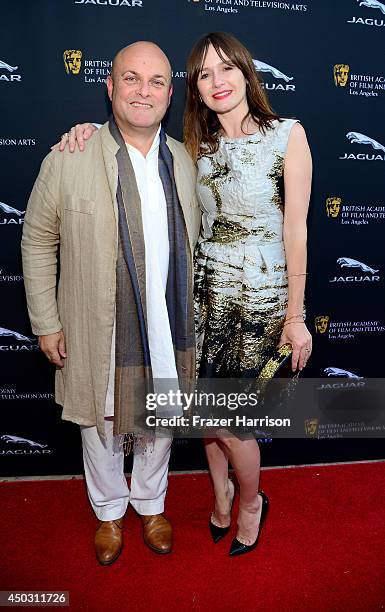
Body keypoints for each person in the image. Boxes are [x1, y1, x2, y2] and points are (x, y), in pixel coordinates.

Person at [58, 31, 313, 558]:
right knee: (199, 413)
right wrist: (82, 132)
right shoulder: (195, 148)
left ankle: (249, 503)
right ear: (194, 88)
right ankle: (218, 496)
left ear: (247, 72)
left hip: (259, 299)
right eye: (204, 73)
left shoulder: (288, 135)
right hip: (200, 299)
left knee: (230, 422)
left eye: (227, 69)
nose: (218, 82)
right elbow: (119, 145)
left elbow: (297, 230)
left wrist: (296, 314)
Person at [21, 41, 200, 566]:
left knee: (160, 418)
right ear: (110, 86)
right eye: (131, 79)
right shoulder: (69, 155)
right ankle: (108, 511)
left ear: (170, 93)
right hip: (96, 321)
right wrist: (46, 321)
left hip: (169, 322)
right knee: (99, 421)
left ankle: (150, 501)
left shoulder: (184, 160)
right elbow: (36, 239)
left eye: (156, 81)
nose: (143, 91)